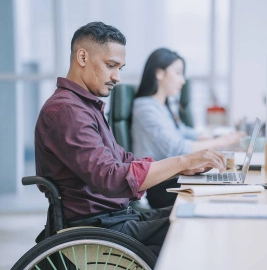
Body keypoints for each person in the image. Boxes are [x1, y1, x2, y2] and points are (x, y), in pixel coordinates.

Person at [34, 22, 226, 256]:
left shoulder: (84, 106)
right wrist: (182, 162)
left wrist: (180, 169)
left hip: (115, 219)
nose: (117, 77)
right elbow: (111, 177)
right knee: (195, 226)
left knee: (195, 212)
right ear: (82, 57)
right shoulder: (68, 111)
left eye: (120, 68)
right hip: (97, 229)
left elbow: (122, 158)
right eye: (110, 65)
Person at [131, 48, 244, 208]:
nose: (182, 81)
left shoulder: (164, 105)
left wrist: (211, 139)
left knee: (225, 184)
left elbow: (182, 131)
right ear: (159, 73)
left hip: (174, 176)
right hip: (160, 185)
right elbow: (176, 148)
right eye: (178, 73)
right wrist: (221, 140)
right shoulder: (145, 108)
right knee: (219, 193)